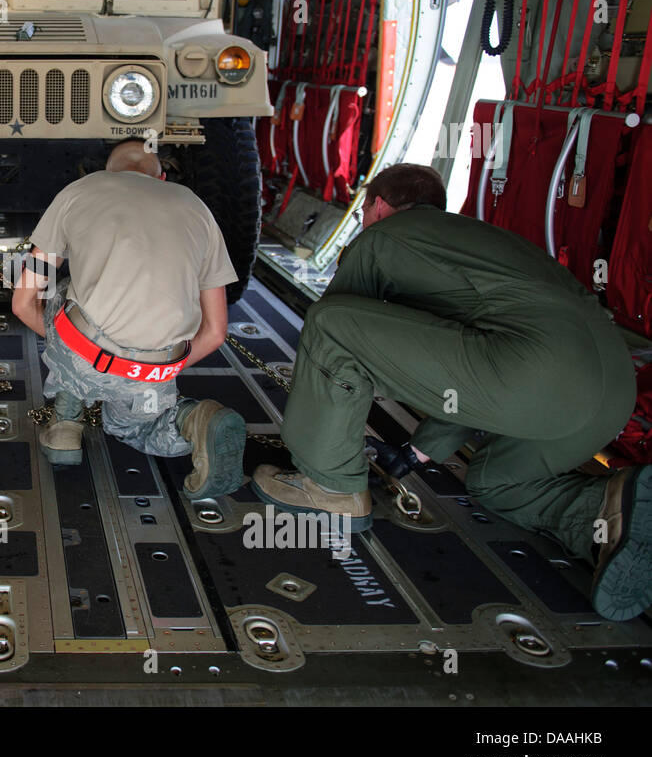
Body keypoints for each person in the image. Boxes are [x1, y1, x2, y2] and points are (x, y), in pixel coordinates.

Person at [251, 163, 649, 621]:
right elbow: (470, 367)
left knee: (330, 325)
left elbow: (338, 333)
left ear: (378, 206)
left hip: (533, 375)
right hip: (611, 391)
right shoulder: (482, 241)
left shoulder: (384, 235)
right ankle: (607, 515)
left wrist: (324, 418)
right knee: (497, 483)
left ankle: (330, 488)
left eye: (364, 213)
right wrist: (418, 452)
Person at [11, 138, 246, 500]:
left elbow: (24, 301)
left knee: (64, 293)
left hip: (84, 355)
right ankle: (194, 420)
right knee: (137, 429)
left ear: (106, 172)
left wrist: (73, 352)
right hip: (155, 371)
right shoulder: (197, 209)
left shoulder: (79, 191)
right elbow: (215, 333)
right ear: (162, 178)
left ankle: (65, 427)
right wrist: (148, 372)